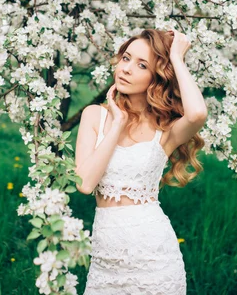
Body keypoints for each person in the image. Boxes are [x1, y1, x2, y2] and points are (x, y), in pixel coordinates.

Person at [74, 28, 208, 294]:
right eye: (126, 58)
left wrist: (177, 58)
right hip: (105, 262)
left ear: (155, 77)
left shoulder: (165, 129)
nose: (126, 69)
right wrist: (117, 125)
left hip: (155, 259)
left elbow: (197, 114)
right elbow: (85, 183)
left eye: (141, 65)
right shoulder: (93, 116)